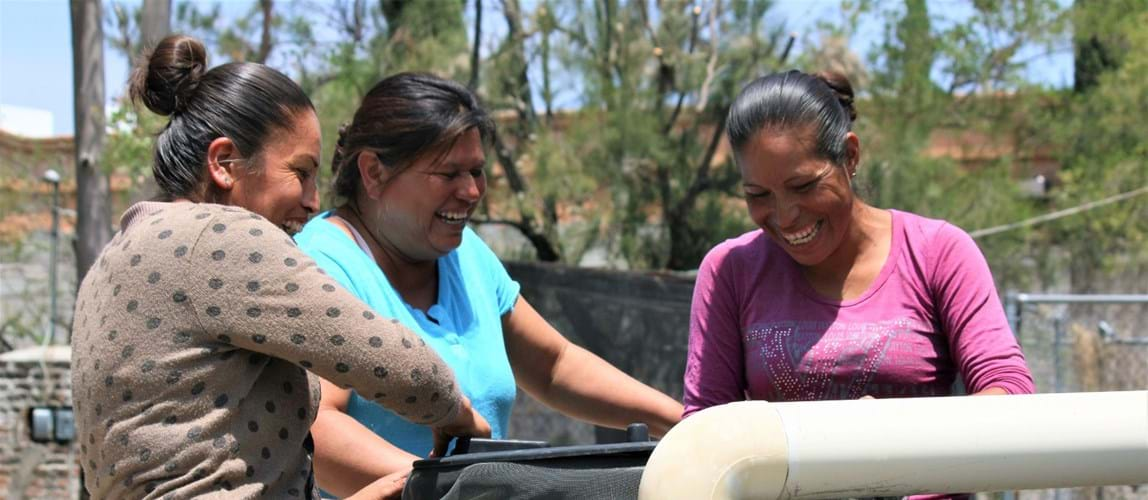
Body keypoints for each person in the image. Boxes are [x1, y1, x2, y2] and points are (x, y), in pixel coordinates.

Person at [70, 35, 489, 500]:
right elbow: (382, 355)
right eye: (301, 173)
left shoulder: (112, 259)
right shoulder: (221, 237)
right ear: (225, 163)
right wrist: (452, 411)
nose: (313, 201)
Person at [292, 72, 684, 497]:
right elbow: (319, 430)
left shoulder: (465, 254)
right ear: (373, 172)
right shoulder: (319, 266)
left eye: (477, 171)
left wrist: (682, 421)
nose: (472, 190)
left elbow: (553, 367)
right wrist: (457, 486)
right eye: (449, 173)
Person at [683, 70, 1036, 416]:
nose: (785, 216)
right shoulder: (730, 271)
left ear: (850, 156)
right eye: (758, 194)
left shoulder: (937, 252)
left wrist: (890, 430)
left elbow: (1009, 389)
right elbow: (706, 423)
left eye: (804, 186)